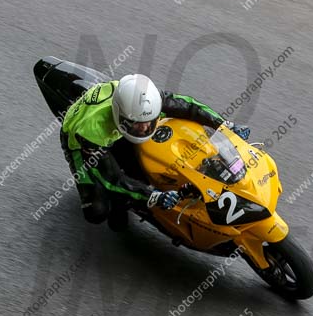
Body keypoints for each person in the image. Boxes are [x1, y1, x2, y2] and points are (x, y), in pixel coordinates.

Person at [59, 74, 250, 231]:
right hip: (81, 145)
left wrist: (225, 125)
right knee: (96, 211)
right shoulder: (91, 133)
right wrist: (152, 195)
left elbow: (189, 106)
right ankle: (121, 204)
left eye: (149, 120)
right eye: (138, 124)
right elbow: (112, 178)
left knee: (144, 169)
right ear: (121, 116)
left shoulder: (148, 100)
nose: (145, 128)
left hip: (118, 126)